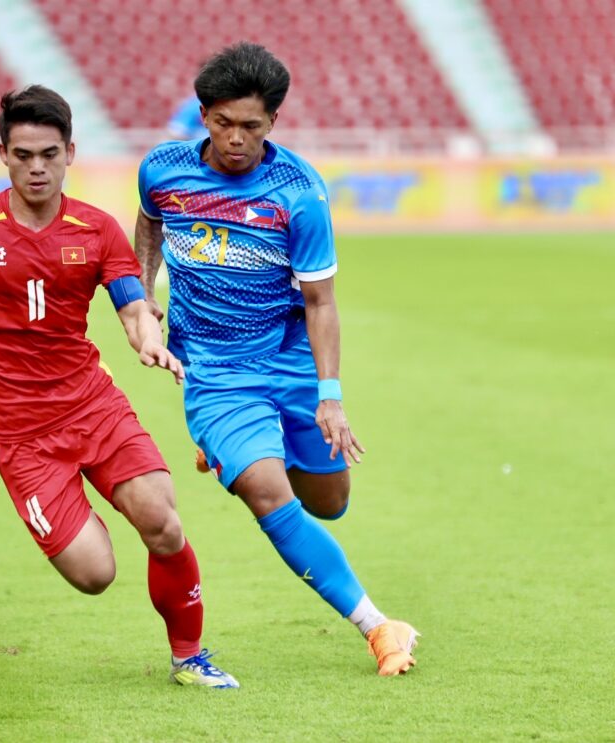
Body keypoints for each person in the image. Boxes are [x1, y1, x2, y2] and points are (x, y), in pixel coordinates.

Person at [0, 85, 238, 689]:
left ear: (70, 154)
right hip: (20, 432)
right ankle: (72, 511)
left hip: (91, 404)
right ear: (3, 154)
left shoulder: (97, 229)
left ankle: (189, 657)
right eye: (24, 155)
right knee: (95, 573)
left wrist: (147, 339)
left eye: (49, 155)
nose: (37, 168)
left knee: (162, 521)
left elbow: (132, 303)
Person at [135, 42, 420, 676]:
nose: (236, 139)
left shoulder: (299, 193)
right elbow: (149, 223)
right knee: (267, 493)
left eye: (251, 126)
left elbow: (321, 301)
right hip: (215, 371)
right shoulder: (162, 170)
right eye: (223, 123)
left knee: (329, 502)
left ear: (274, 122)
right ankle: (379, 627)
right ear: (203, 116)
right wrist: (143, 290)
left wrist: (330, 397)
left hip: (289, 358)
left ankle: (240, 447)